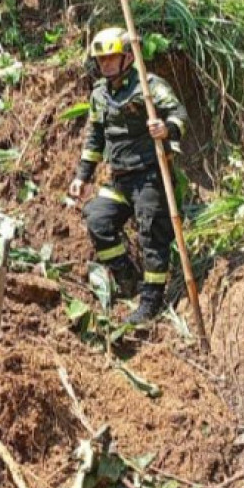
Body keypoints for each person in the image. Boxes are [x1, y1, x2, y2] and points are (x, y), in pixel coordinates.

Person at [68, 27, 188, 324]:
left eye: (111, 58)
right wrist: (82, 176)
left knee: (152, 237)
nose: (105, 64)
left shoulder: (149, 87)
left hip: (150, 176)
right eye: (101, 60)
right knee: (98, 219)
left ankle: (151, 303)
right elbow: (95, 138)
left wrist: (166, 129)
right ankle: (128, 277)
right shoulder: (99, 94)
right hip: (120, 178)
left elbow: (179, 115)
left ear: (127, 58)